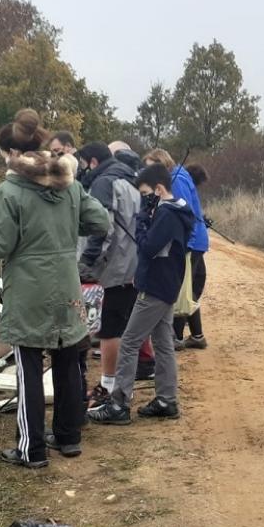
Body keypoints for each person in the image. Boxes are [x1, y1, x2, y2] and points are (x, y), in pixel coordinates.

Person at [0, 109, 109, 469]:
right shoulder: (70, 184)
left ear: (11, 153)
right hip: (68, 287)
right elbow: (101, 220)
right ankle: (68, 436)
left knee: (29, 369)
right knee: (69, 360)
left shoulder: (9, 191)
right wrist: (68, 223)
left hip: (29, 291)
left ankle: (31, 449)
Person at [88, 163, 195, 426]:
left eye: (146, 194)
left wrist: (143, 220)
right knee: (163, 342)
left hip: (155, 287)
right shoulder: (177, 209)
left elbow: (147, 247)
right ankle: (166, 400)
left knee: (129, 341)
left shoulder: (167, 214)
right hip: (166, 284)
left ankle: (119, 403)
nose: (144, 199)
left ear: (158, 189)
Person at [75, 143, 141, 401]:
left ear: (92, 161)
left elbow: (102, 228)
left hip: (112, 268)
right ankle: (120, 385)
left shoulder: (104, 183)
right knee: (122, 330)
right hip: (131, 265)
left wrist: (88, 261)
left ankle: (109, 386)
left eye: (83, 163)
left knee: (108, 331)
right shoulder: (131, 180)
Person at [143, 149, 210, 349]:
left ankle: (177, 337)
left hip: (189, 242)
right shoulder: (175, 177)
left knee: (180, 288)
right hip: (193, 240)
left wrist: (184, 245)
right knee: (188, 287)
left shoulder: (176, 180)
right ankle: (196, 336)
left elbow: (185, 213)